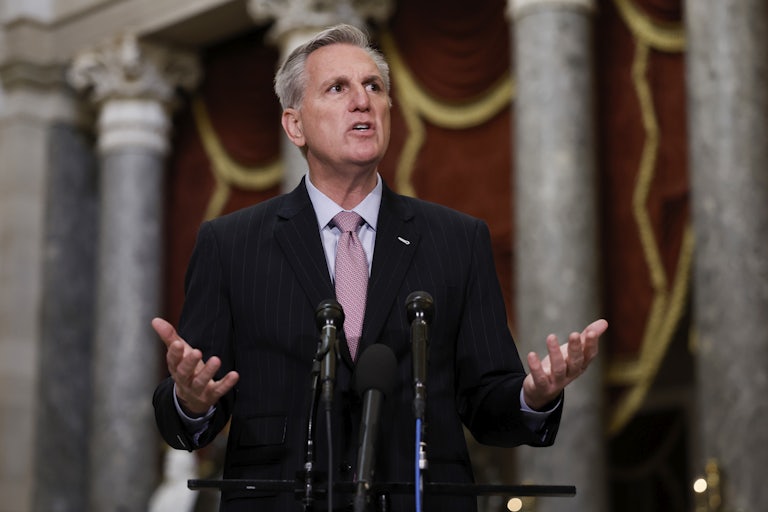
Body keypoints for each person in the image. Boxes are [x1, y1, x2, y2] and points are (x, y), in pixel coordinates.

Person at [152, 23, 607, 512]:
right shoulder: (230, 245)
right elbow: (191, 412)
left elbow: (487, 403)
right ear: (295, 125)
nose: (362, 101)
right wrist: (191, 400)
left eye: (374, 87)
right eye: (337, 88)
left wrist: (532, 396)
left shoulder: (457, 240)